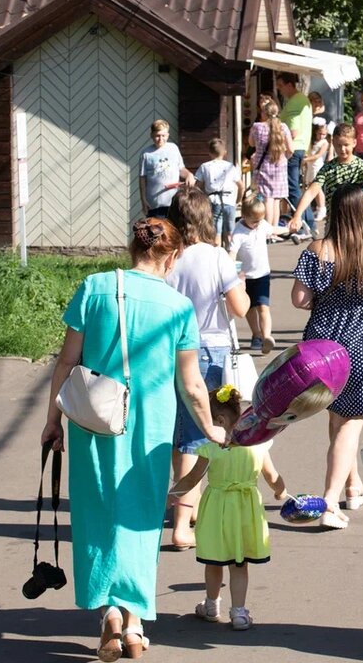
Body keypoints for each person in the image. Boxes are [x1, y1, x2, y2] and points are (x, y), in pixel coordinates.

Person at [41, 218, 222, 662]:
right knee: (140, 519)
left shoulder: (93, 288)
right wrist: (214, 429)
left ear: (131, 249)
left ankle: (108, 613)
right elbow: (193, 385)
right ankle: (136, 622)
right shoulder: (178, 308)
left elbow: (66, 362)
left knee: (97, 510)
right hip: (150, 429)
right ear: (173, 256)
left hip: (93, 423)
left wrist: (52, 421)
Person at [291, 187, 363, 529]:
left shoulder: (317, 250)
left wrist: (324, 303)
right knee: (351, 421)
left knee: (337, 416)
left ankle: (354, 486)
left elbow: (299, 298)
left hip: (321, 345)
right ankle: (329, 501)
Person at [165, 187, 250, 549]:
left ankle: (186, 504)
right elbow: (241, 308)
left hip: (169, 350)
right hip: (208, 351)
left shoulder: (167, 257)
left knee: (179, 432)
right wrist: (240, 280)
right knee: (199, 437)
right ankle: (182, 524)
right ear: (206, 218)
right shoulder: (217, 257)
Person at [169, 385, 286, 632]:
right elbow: (273, 476)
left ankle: (212, 605)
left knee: (214, 561)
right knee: (239, 562)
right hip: (246, 509)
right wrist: (281, 492)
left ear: (220, 420)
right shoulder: (258, 445)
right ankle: (240, 613)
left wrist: (173, 494)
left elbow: (192, 479)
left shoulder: (211, 448)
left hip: (217, 509)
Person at [288, 125, 363, 231]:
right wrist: (297, 215)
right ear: (333, 143)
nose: (342, 149)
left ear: (354, 143)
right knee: (329, 246)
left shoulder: (362, 166)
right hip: (335, 222)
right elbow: (311, 191)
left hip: (359, 220)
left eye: (346, 145)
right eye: (338, 145)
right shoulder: (328, 168)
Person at [230, 198, 275, 354]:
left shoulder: (261, 225)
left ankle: (266, 336)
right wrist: (230, 269)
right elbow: (232, 253)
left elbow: (273, 230)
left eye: (260, 220)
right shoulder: (238, 232)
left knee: (263, 307)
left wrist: (290, 228)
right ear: (244, 216)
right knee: (249, 308)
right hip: (246, 277)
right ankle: (256, 334)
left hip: (263, 274)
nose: (258, 224)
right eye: (254, 221)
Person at [249, 97, 293, 234]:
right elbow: (291, 149)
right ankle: (274, 231)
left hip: (264, 166)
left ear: (263, 113)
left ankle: (267, 230)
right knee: (276, 199)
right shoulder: (283, 127)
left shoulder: (257, 127)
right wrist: (285, 157)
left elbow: (251, 143)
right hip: (279, 166)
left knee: (267, 197)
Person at [278, 72, 315, 234]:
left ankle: (302, 225)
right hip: (300, 147)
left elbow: (292, 131)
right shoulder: (302, 100)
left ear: (289, 85)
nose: (279, 90)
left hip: (293, 148)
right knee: (295, 187)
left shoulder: (294, 103)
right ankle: (309, 223)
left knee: (292, 188)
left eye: (280, 86)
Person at [139, 119, 195, 218]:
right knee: (157, 232)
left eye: (163, 136)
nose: (160, 139)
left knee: (174, 232)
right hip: (154, 203)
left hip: (174, 203)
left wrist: (189, 175)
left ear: (168, 135)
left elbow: (181, 169)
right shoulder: (146, 154)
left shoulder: (173, 148)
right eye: (157, 136)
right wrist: (143, 200)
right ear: (151, 135)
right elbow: (142, 178)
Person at [195, 138, 244, 249]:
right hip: (229, 201)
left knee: (216, 231)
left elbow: (197, 186)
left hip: (213, 201)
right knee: (230, 231)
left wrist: (201, 200)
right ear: (225, 152)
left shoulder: (205, 166)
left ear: (209, 153)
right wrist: (239, 199)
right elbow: (241, 185)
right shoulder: (230, 167)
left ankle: (217, 253)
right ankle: (230, 254)